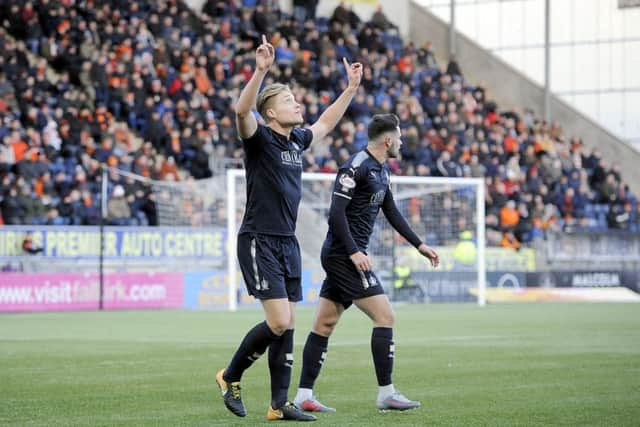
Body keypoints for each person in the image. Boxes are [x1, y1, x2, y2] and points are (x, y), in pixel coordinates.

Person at [215, 35, 362, 422]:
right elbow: (241, 109)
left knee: (287, 325)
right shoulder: (259, 139)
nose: (296, 104)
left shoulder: (296, 140)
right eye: (287, 101)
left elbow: (327, 122)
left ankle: (279, 405)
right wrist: (261, 71)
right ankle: (230, 375)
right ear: (271, 113)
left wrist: (349, 89)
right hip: (259, 239)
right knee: (279, 321)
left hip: (287, 242)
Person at [293, 114, 440, 413]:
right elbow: (335, 214)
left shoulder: (381, 171)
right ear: (388, 140)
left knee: (324, 323)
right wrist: (353, 252)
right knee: (385, 316)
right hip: (343, 255)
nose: (400, 142)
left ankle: (302, 396)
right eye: (398, 137)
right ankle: (386, 393)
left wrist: (420, 245)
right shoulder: (355, 166)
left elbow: (392, 212)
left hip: (345, 255)